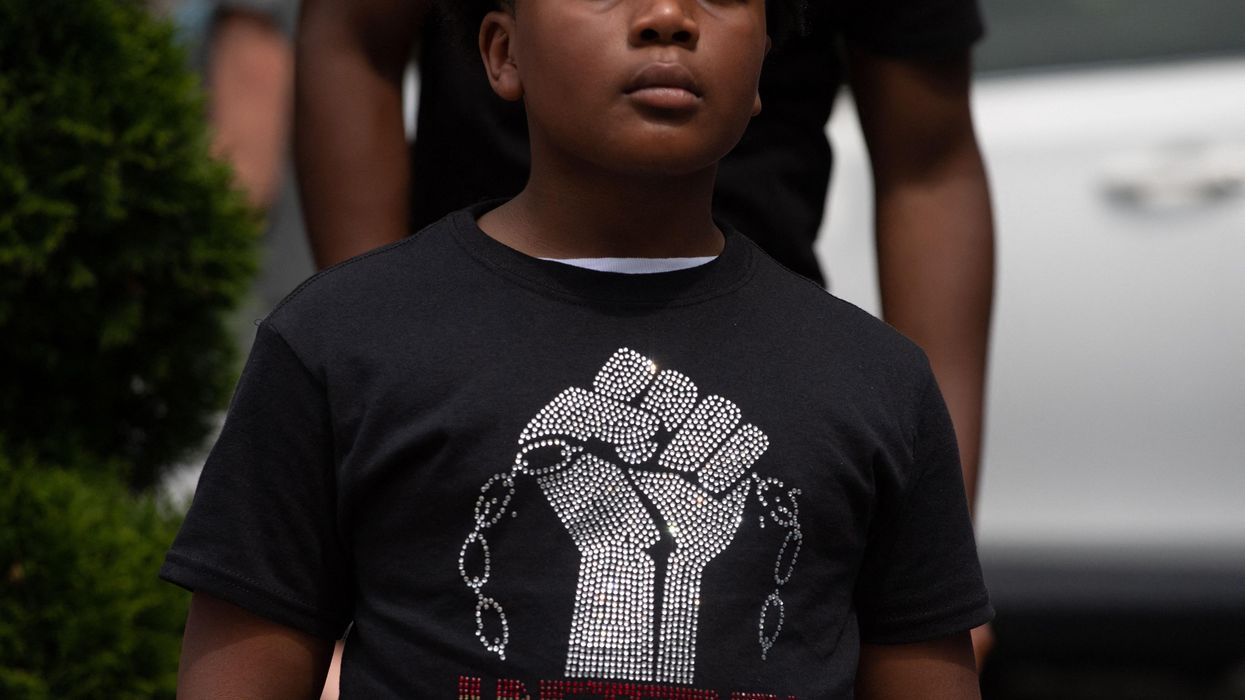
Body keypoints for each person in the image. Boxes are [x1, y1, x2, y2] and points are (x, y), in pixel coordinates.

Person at [163, 0, 993, 696]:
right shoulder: (339, 347)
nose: (667, 15)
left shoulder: (868, 382)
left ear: (765, 65)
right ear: (501, 49)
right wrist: (388, 353)